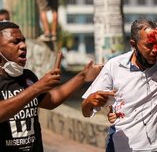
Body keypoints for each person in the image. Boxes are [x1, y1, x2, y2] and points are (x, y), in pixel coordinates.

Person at [81, 18, 157, 152]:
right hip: (119, 147)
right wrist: (88, 102)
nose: (155, 50)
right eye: (149, 45)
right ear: (133, 44)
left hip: (155, 148)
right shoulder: (115, 65)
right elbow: (86, 112)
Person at [0, 21, 103, 151]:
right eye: (15, 42)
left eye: (23, 41)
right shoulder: (30, 86)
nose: (23, 46)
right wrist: (37, 87)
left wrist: (82, 76)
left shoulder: (28, 77)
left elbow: (51, 100)